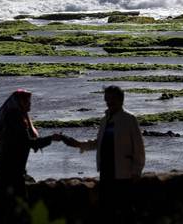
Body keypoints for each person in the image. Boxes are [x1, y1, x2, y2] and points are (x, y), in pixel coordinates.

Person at [62, 85, 145, 222]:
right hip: (106, 172)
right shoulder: (104, 120)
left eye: (112, 99)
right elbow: (98, 143)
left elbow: (139, 147)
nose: (108, 102)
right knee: (107, 211)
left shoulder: (129, 119)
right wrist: (78, 144)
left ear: (121, 100)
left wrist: (137, 171)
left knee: (126, 212)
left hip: (123, 173)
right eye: (107, 99)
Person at [0, 89, 61, 223]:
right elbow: (29, 143)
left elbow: (0, 142)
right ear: (20, 102)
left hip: (4, 172)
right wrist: (51, 138)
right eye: (27, 101)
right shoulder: (16, 119)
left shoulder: (8, 117)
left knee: (6, 212)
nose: (30, 104)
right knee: (19, 213)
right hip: (12, 174)